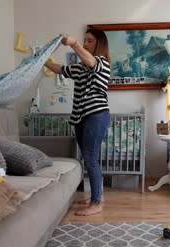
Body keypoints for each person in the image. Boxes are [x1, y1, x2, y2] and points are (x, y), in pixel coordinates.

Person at [44, 29, 110, 216]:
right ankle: (98, 195)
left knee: (90, 157)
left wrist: (73, 44)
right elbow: (60, 69)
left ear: (99, 44)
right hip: (81, 117)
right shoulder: (80, 67)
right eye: (84, 40)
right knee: (90, 158)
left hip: (96, 115)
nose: (86, 43)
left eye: (89, 41)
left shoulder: (101, 62)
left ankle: (96, 203)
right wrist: (42, 59)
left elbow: (90, 61)